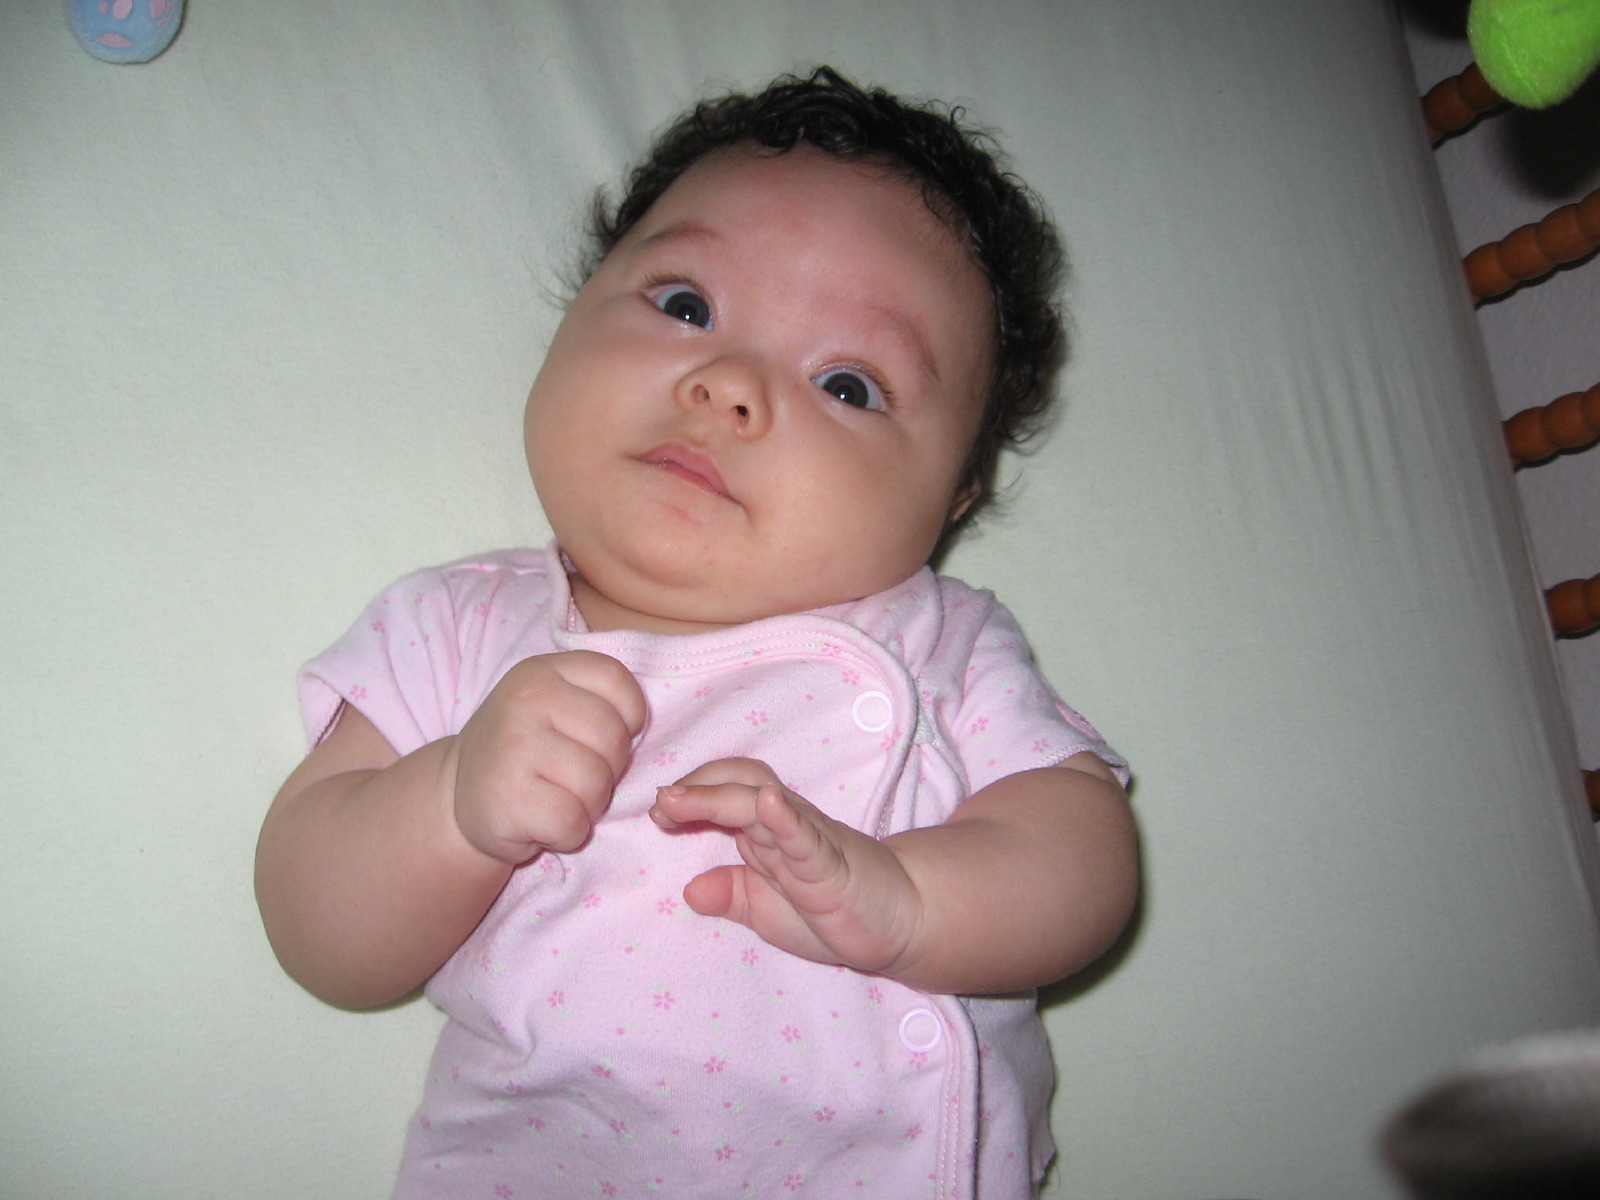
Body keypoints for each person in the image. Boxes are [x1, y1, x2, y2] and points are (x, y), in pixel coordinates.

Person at [255, 66, 1139, 1200]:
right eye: (685, 306)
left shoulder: (940, 641)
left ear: (950, 499)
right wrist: (451, 803)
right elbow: (319, 933)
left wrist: (911, 904)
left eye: (847, 384)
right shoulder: (463, 626)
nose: (729, 386)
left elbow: (1082, 857)